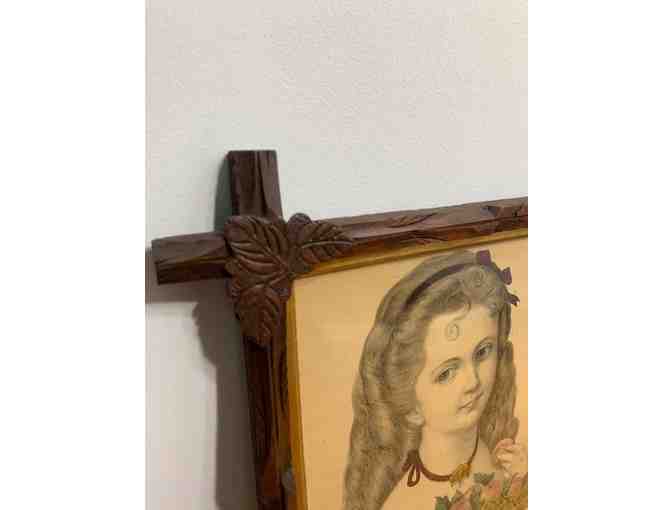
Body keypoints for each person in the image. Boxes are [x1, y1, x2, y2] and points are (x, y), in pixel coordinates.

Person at [342, 249, 527, 510]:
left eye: (483, 352)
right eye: (446, 373)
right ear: (410, 405)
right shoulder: (404, 505)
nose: (473, 381)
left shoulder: (511, 463)